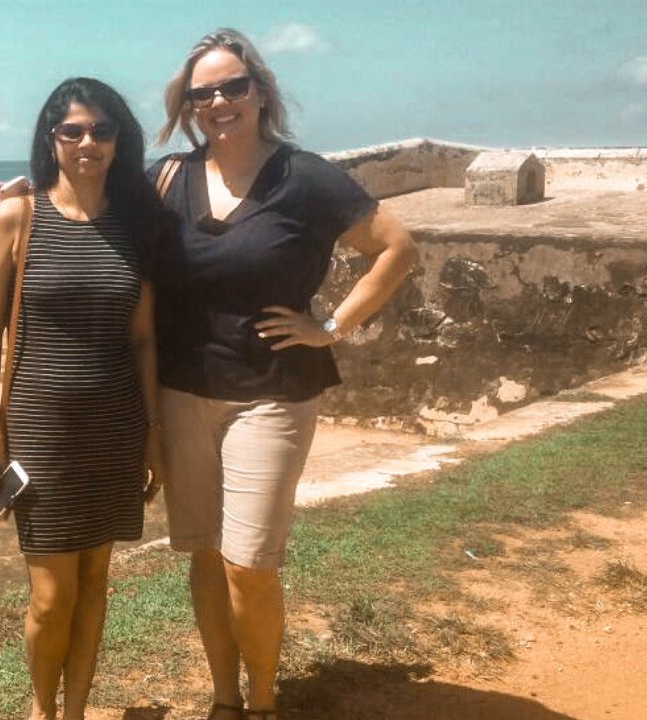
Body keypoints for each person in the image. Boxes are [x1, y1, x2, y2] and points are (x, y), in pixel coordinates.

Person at [150, 29, 419, 720]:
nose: (219, 102)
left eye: (233, 86)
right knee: (204, 557)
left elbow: (395, 247)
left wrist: (331, 326)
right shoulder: (169, 179)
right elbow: (98, 220)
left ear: (260, 91)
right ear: (188, 106)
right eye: (203, 93)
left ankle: (264, 702)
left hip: (270, 395)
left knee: (249, 562)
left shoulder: (305, 178)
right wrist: (27, 199)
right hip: (182, 394)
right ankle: (224, 700)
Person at [0, 77, 165, 720]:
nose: (88, 143)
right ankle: (42, 710)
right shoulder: (17, 216)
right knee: (51, 597)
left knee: (95, 585)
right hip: (41, 432)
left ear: (119, 139)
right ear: (51, 139)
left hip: (115, 428)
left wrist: (153, 434)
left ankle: (76, 710)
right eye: (73, 131)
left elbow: (143, 340)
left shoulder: (135, 223)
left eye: (102, 130)